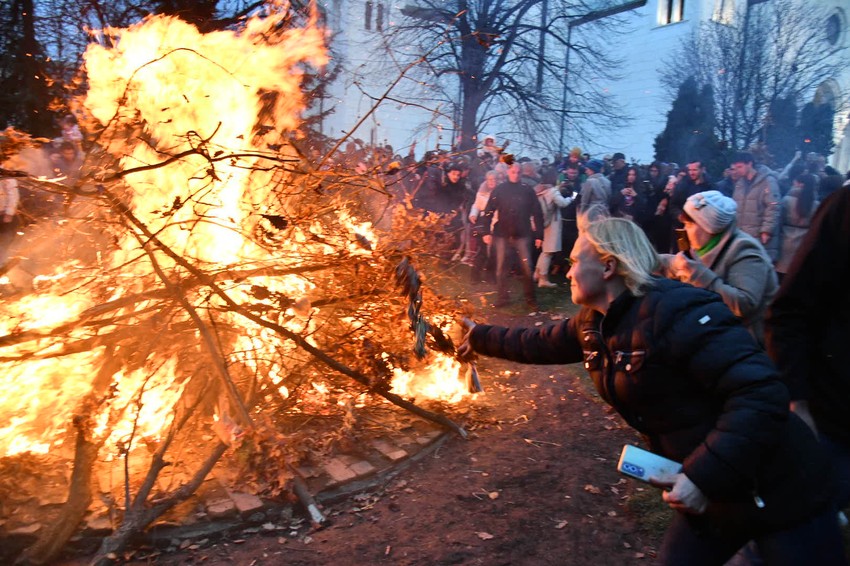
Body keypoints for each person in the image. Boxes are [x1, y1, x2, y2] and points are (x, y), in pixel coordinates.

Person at [459, 216, 845, 565]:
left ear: (608, 267)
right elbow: (537, 342)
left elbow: (761, 393)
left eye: (577, 261)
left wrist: (701, 477)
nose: (570, 270)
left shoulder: (680, 312)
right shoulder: (593, 323)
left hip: (782, 491)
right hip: (713, 495)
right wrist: (479, 336)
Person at [766, 187, 850, 514]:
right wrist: (796, 401)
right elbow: (788, 311)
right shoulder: (844, 208)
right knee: (792, 526)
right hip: (829, 419)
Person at [658, 190, 778, 345]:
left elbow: (744, 304)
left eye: (689, 224)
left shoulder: (745, 250)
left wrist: (699, 277)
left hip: (749, 341)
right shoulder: (702, 247)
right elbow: (677, 265)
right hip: (718, 330)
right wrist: (649, 260)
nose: (684, 230)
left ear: (709, 227)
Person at [479, 161, 543, 309]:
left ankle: (530, 299)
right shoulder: (500, 190)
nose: (515, 175)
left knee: (527, 267)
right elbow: (488, 211)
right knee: (501, 268)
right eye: (513, 172)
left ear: (521, 173)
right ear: (508, 172)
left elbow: (537, 213)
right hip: (502, 234)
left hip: (523, 234)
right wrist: (485, 231)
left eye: (518, 172)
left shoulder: (527, 190)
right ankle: (503, 297)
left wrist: (539, 235)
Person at [730, 152, 781, 263]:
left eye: (740, 167)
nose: (737, 170)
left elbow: (773, 207)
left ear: (750, 164)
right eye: (736, 167)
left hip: (759, 235)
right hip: (742, 234)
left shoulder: (767, 181)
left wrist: (766, 231)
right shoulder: (739, 183)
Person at [774, 173, 818, 282]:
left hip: (785, 239)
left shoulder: (786, 200)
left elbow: (778, 220)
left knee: (780, 276)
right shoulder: (816, 204)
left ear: (800, 184)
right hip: (804, 241)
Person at [533, 183, 573, 287]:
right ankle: (543, 279)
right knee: (548, 252)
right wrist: (570, 198)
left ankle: (537, 274)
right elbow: (562, 203)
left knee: (544, 251)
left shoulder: (538, 190)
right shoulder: (552, 191)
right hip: (552, 225)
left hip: (542, 224)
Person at [0, 175, 20, 267]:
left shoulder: (6, 175)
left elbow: (13, 194)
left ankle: (1, 263)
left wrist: (9, 213)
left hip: (3, 214)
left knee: (4, 240)